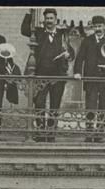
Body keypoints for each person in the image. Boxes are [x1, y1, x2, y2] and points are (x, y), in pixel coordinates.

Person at [25, 9, 73, 142]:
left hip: (58, 77)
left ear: (55, 19)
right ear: (44, 20)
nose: (49, 21)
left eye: (51, 18)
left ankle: (51, 134)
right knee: (39, 103)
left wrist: (69, 55)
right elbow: (24, 30)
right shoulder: (39, 33)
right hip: (41, 76)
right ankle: (41, 132)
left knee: (54, 105)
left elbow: (71, 52)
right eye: (47, 18)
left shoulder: (62, 36)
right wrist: (29, 12)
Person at [72, 14, 105, 142]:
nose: (98, 29)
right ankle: (89, 133)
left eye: (100, 26)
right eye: (96, 26)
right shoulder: (87, 41)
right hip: (91, 79)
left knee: (103, 107)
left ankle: (99, 134)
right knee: (90, 106)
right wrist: (77, 72)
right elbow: (80, 57)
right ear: (93, 27)